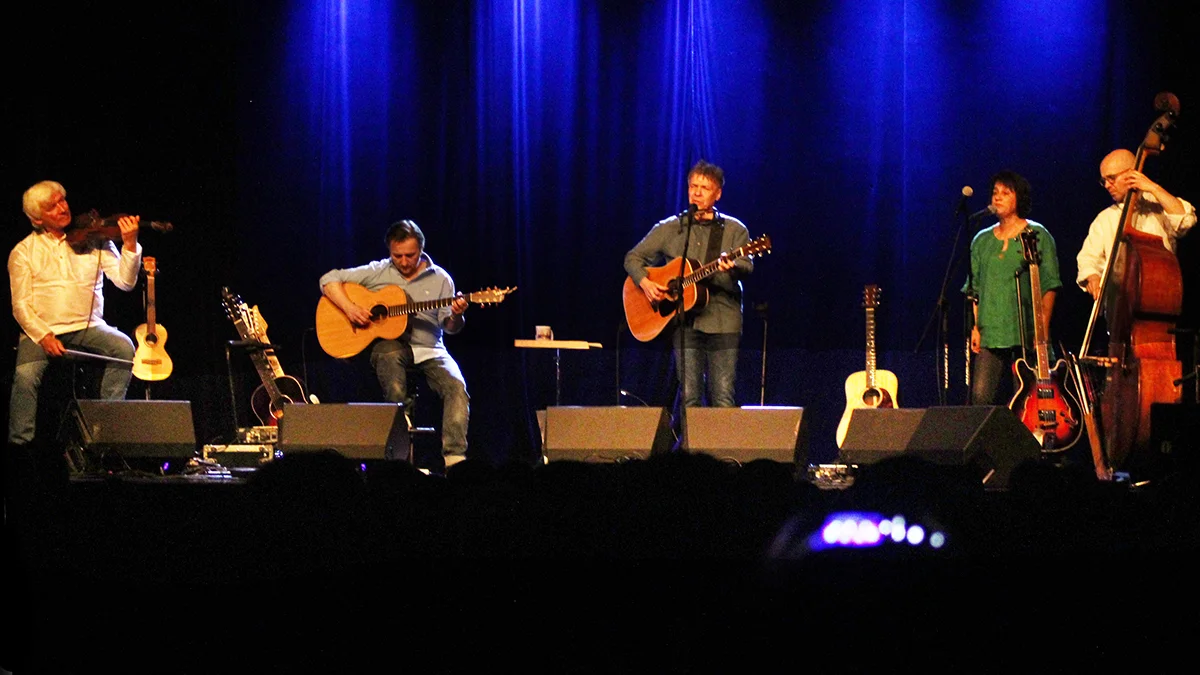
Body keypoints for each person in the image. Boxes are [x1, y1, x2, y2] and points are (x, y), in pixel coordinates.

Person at [319, 220, 470, 469]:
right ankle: (399, 458)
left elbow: (450, 327)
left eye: (409, 255)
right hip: (391, 346)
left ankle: (454, 460)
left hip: (431, 347)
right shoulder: (379, 270)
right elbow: (329, 280)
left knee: (457, 387)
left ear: (421, 250)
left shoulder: (441, 279)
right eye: (396, 255)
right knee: (392, 368)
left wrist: (456, 314)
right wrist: (351, 308)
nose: (402, 261)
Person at [8, 180, 142, 446]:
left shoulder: (95, 240)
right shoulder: (23, 252)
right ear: (37, 218)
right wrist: (44, 336)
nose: (63, 208)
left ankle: (106, 431)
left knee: (125, 349)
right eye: (52, 206)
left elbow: (126, 283)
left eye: (63, 200)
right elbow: (20, 306)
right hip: (43, 332)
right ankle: (20, 446)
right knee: (24, 378)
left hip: (88, 326)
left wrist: (129, 244)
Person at [624, 159, 753, 408]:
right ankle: (692, 447)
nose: (696, 192)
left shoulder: (735, 230)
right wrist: (646, 283)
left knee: (723, 396)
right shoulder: (671, 228)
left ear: (718, 194)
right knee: (690, 396)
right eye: (693, 186)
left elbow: (747, 265)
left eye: (704, 188)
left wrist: (733, 265)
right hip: (685, 323)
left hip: (723, 320)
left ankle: (718, 448)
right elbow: (633, 258)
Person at [962, 171, 1062, 405]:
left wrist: (1043, 330)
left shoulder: (1037, 235)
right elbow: (974, 290)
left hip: (1026, 333)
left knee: (1026, 400)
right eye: (995, 193)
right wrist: (976, 328)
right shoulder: (981, 240)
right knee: (980, 398)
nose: (998, 198)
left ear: (1020, 198)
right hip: (991, 333)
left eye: (1006, 193)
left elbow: (1050, 284)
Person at [1076, 148, 1196, 299]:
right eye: (1103, 180)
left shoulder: (1158, 205)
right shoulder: (1104, 219)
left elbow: (1186, 221)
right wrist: (1092, 277)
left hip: (1161, 297)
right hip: (1118, 308)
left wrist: (1153, 188)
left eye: (1111, 178)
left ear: (1132, 173)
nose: (1107, 185)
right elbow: (1088, 258)